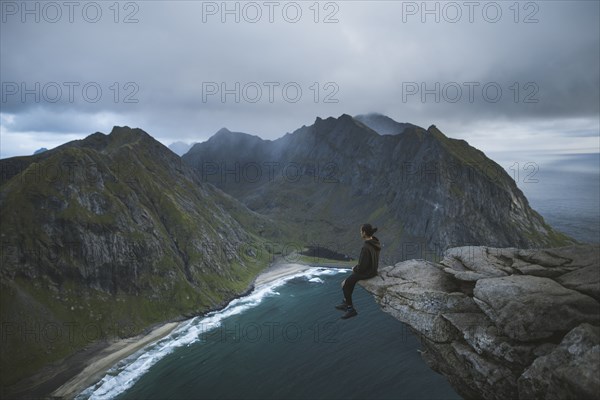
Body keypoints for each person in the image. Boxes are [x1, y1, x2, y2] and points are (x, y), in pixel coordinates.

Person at [335, 224, 381, 319]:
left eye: (361, 231)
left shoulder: (366, 247)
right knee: (348, 282)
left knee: (344, 284)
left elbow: (362, 268)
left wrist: (354, 268)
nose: (360, 233)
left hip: (367, 272)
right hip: (373, 269)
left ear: (364, 233)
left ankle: (351, 309)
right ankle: (345, 302)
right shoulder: (375, 242)